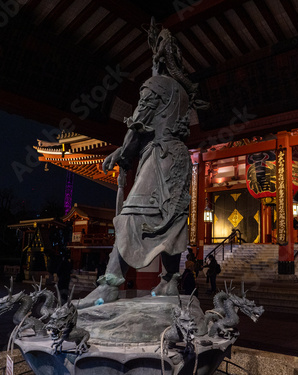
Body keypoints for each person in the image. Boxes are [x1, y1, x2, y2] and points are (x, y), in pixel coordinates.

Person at [78, 21, 208, 308]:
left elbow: (138, 124)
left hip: (159, 157)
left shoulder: (154, 85)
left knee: (130, 217)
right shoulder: (183, 93)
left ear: (158, 60)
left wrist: (122, 154)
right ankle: (170, 280)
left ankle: (110, 284)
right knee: (172, 219)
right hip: (180, 158)